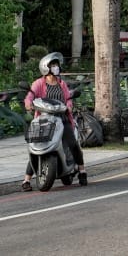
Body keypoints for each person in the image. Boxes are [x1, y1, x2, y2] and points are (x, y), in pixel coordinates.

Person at [22, 52, 86, 191]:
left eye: (57, 64)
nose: (56, 67)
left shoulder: (61, 83)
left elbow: (68, 98)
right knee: (37, 146)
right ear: (46, 67)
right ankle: (26, 180)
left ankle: (82, 171)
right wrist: (28, 104)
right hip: (44, 120)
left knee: (72, 143)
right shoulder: (39, 83)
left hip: (62, 119)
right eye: (53, 65)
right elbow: (30, 96)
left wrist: (69, 106)